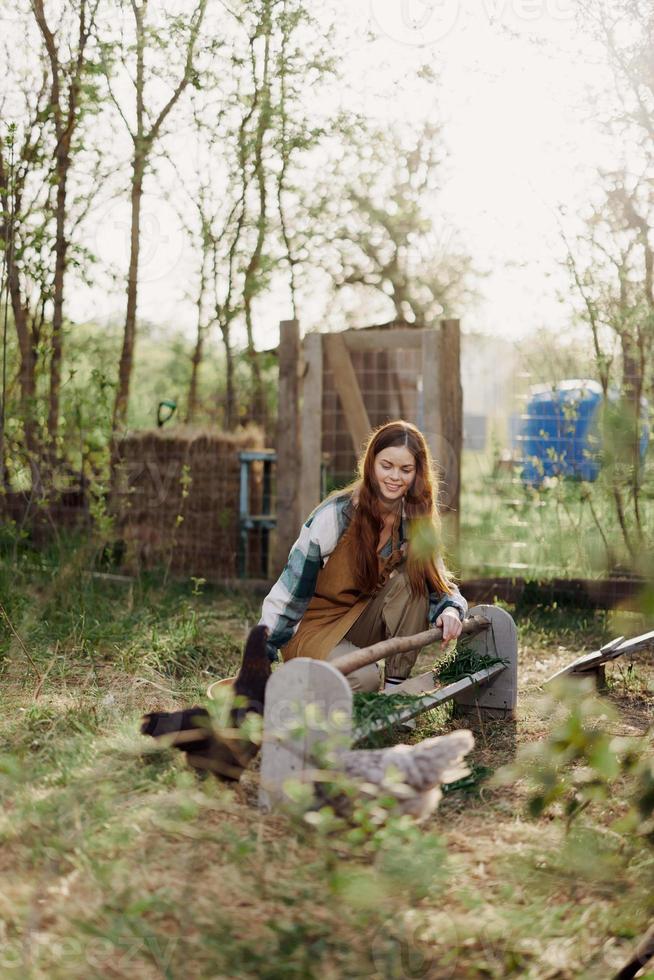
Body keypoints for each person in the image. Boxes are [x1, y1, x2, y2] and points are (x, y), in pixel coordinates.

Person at [259, 420, 467, 692]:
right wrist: (262, 649)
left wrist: (452, 608)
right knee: (364, 678)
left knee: (413, 585)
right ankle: (304, 680)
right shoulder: (336, 515)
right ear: (371, 464)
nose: (395, 477)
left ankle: (394, 693)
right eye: (386, 466)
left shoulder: (414, 519)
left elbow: (438, 580)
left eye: (406, 469)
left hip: (357, 620)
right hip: (312, 628)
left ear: (417, 474)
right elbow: (291, 587)